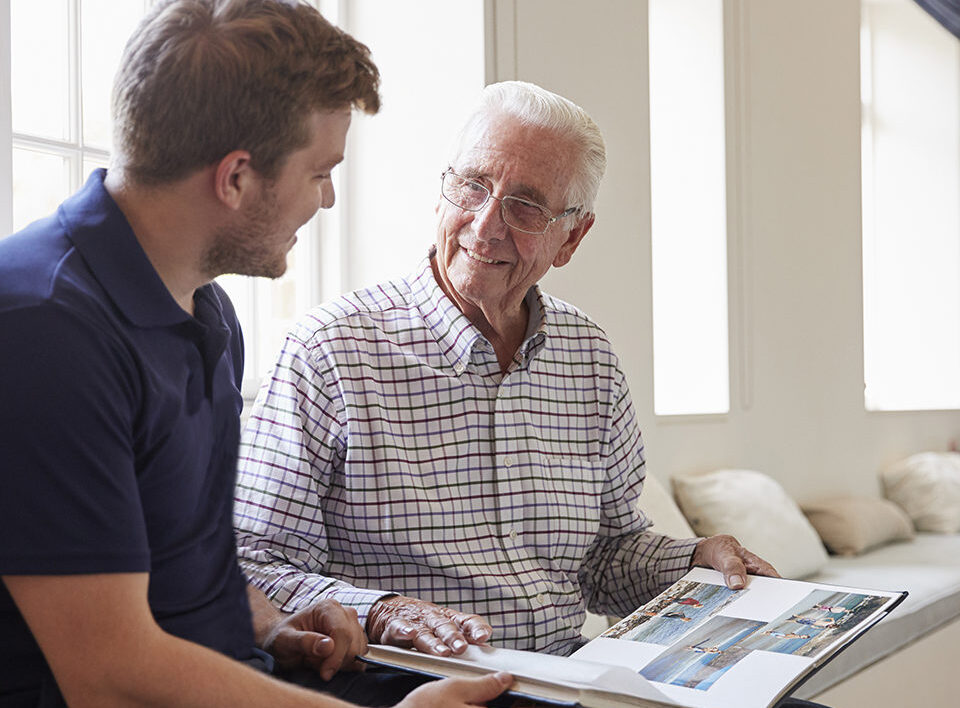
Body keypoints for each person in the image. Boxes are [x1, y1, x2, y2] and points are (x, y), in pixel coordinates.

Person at [0, 2, 511, 707]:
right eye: (320, 172)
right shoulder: (40, 329)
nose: (328, 200)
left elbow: (180, 559)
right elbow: (109, 674)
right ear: (236, 177)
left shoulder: (205, 307)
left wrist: (272, 626)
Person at [233, 80, 779, 661]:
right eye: (472, 185)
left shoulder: (588, 357)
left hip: (570, 675)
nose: (486, 224)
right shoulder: (331, 349)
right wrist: (383, 611)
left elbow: (604, 556)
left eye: (524, 205)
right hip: (413, 679)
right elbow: (254, 564)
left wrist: (694, 559)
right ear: (442, 191)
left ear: (571, 236)